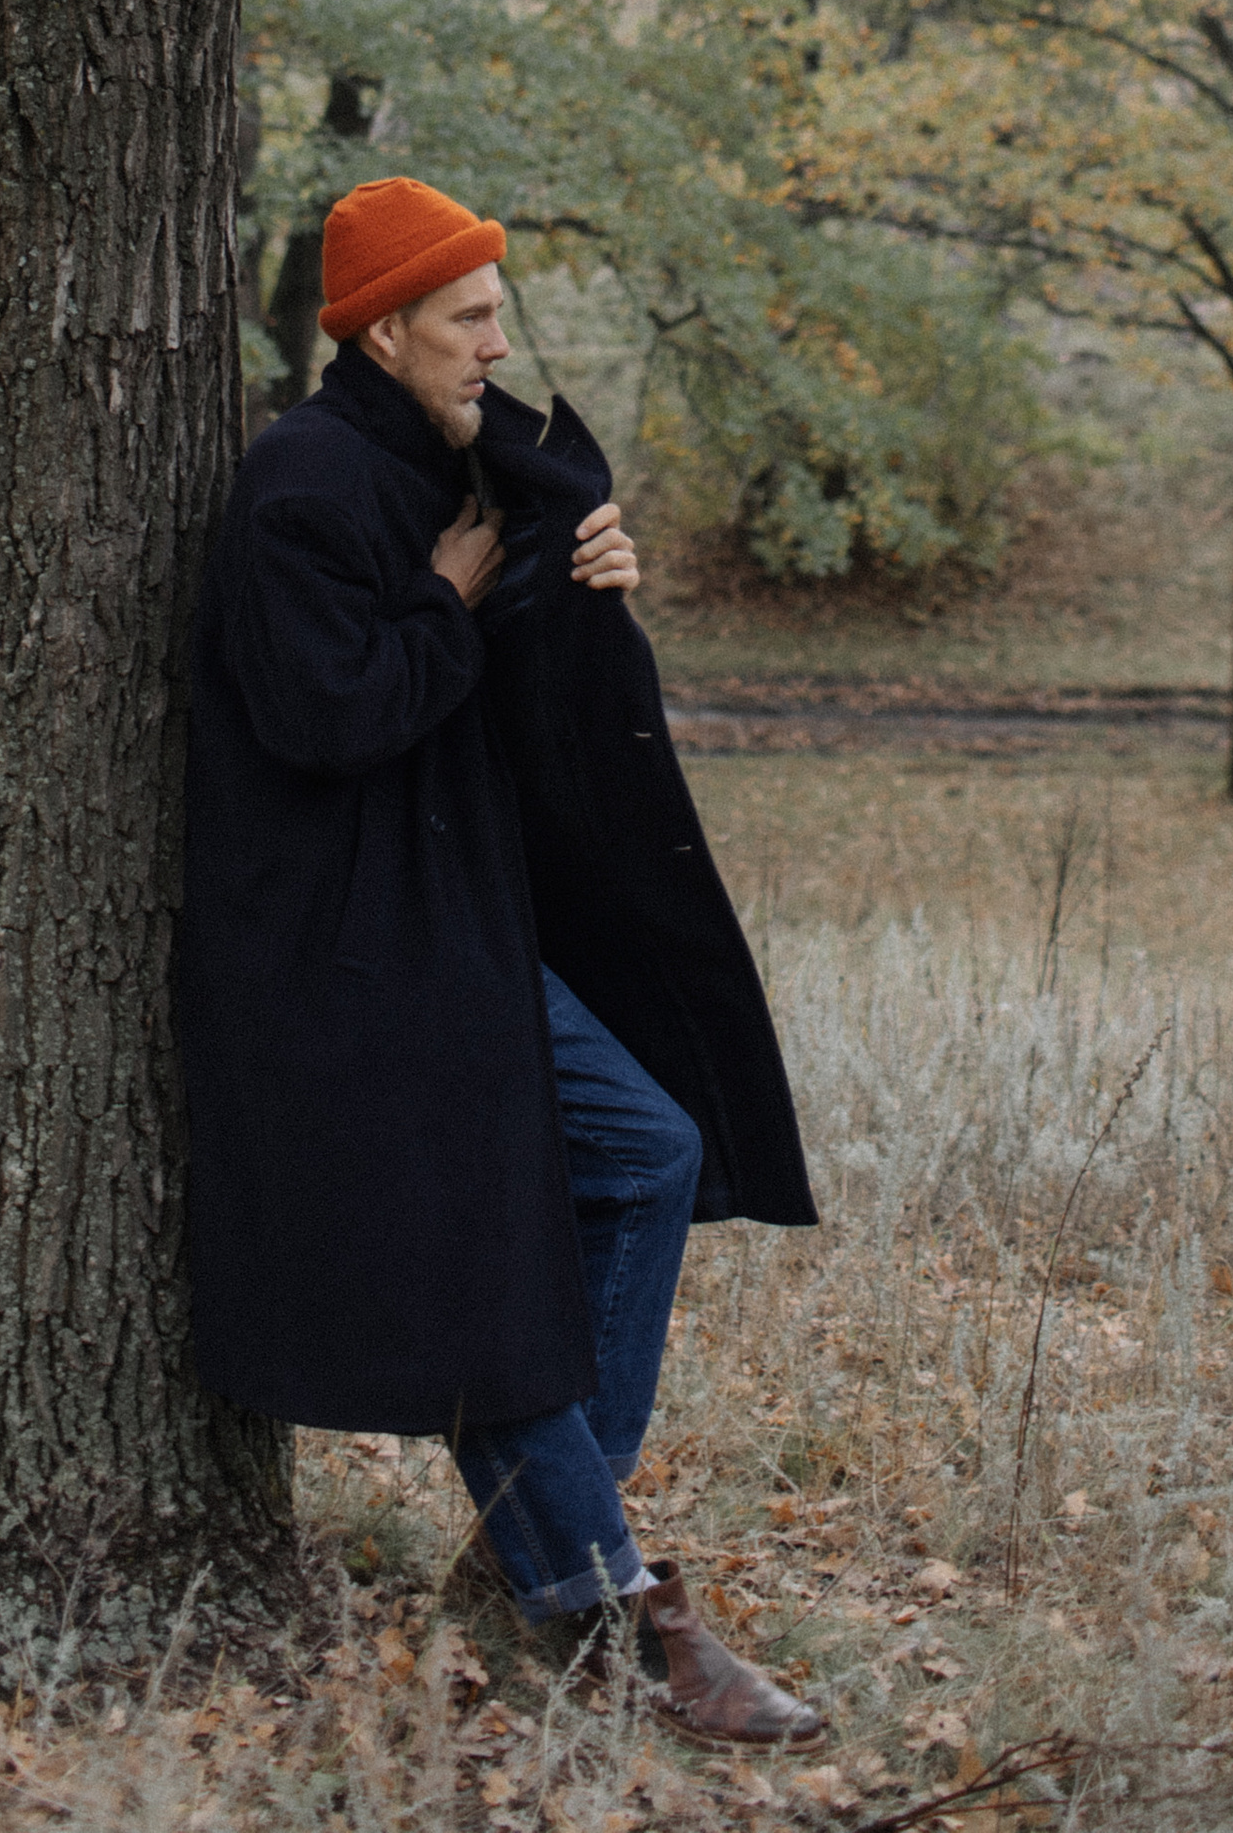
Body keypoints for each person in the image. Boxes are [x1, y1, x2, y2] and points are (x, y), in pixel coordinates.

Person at [179, 174, 826, 1747]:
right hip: (345, 962)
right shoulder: (300, 484)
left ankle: (536, 1536)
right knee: (486, 1269)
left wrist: (589, 584)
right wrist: (445, 599)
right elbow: (325, 716)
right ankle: (611, 1611)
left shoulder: (462, 470)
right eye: (469, 317)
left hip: (459, 927)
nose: (496, 343)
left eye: (495, 313)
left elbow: (518, 686)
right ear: (383, 330)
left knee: (649, 1149)